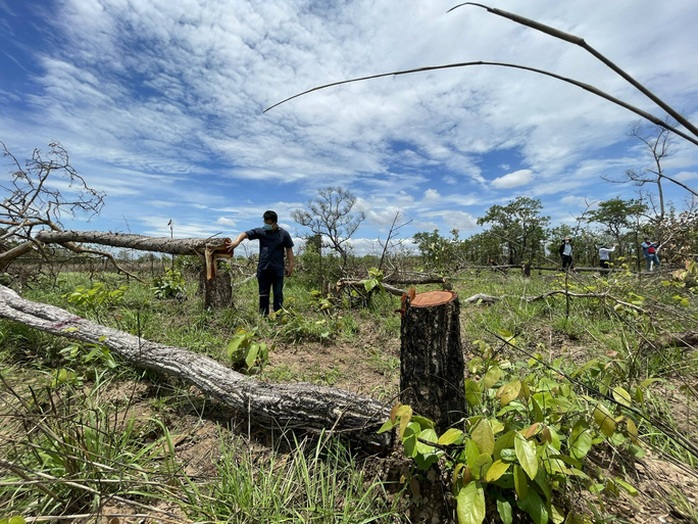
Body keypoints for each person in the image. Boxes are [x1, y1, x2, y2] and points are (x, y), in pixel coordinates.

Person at [226, 210, 295, 316]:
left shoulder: (284, 234)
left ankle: (279, 316)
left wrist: (290, 266)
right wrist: (236, 242)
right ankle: (263, 316)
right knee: (263, 294)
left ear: (275, 222)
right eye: (265, 222)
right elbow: (244, 234)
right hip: (263, 269)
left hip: (278, 269)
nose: (266, 225)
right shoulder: (261, 232)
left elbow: (289, 250)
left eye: (269, 223)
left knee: (278, 294)